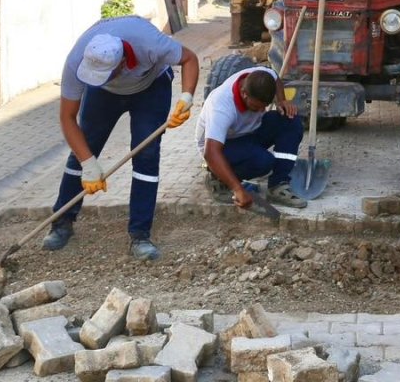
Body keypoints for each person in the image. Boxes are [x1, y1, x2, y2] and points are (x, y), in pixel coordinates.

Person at [44, 16, 200, 261]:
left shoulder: (150, 43)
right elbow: (67, 117)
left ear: (122, 64)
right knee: (84, 148)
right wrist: (88, 164)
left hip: (151, 86)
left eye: (106, 74)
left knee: (146, 154)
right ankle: (61, 222)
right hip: (104, 95)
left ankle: (140, 234)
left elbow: (190, 58)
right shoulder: (78, 61)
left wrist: (187, 97)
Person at [194, 65, 308, 209]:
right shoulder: (221, 106)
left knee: (290, 121)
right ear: (244, 93)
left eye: (264, 107)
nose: (260, 111)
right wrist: (238, 190)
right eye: (255, 107)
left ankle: (278, 185)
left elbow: (274, 76)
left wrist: (282, 100)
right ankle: (218, 178)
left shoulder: (261, 76)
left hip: (248, 132)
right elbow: (211, 153)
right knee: (263, 161)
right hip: (222, 146)